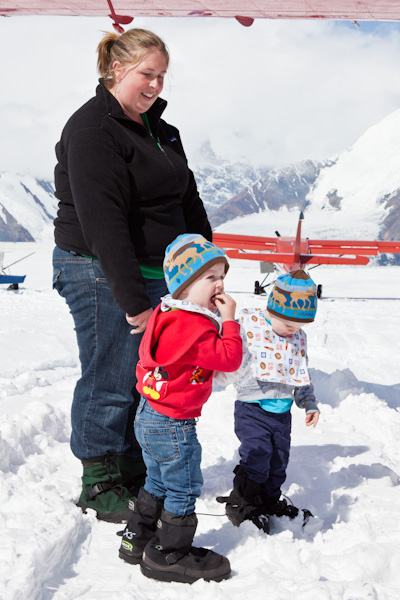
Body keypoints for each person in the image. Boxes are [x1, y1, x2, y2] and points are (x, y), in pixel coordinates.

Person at [52, 28, 211, 523]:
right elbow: (104, 225)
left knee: (149, 376)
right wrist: (133, 300)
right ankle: (99, 480)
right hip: (100, 269)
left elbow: (188, 202)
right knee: (112, 375)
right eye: (147, 74)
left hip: (158, 272)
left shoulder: (161, 131)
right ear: (116, 69)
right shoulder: (93, 131)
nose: (155, 85)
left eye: (161, 76)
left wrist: (205, 266)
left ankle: (130, 465)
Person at [118, 234, 242, 583]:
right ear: (185, 285)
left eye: (222, 275)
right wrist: (230, 321)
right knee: (184, 486)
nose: (219, 284)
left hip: (149, 412)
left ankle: (136, 538)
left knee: (157, 478)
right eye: (210, 277)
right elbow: (229, 358)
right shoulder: (196, 326)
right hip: (174, 423)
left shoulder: (167, 311)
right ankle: (170, 553)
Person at [216, 270, 320, 534]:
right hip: (252, 409)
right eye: (286, 323)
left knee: (278, 461)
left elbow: (301, 374)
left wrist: (309, 403)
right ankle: (245, 504)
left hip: (282, 414)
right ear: (271, 310)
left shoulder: (296, 338)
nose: (292, 330)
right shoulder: (252, 330)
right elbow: (229, 355)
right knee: (257, 456)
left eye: (298, 327)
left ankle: (270, 501)